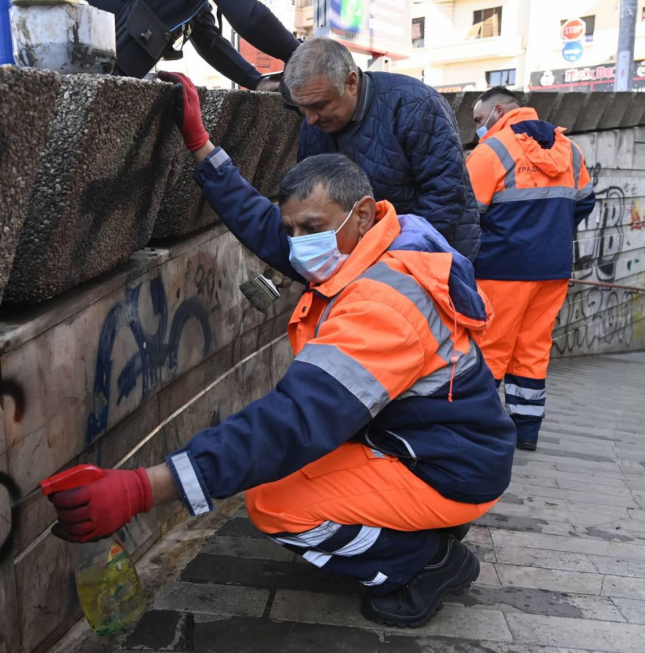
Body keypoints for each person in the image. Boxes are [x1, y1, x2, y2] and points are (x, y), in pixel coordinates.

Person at [47, 72, 516, 628]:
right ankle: (420, 527)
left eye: (310, 228)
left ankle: (425, 561)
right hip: (426, 441)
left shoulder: (384, 302)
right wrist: (202, 147)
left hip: (446, 466)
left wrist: (145, 487)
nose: (297, 246)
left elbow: (293, 421)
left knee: (276, 505)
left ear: (361, 213)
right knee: (285, 470)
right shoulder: (381, 242)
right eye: (293, 230)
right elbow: (265, 225)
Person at [466, 87, 596, 451]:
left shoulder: (492, 150)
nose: (478, 127)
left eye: (479, 120)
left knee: (490, 347)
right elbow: (585, 202)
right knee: (533, 349)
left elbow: (465, 211)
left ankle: (481, 429)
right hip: (553, 268)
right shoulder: (569, 149)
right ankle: (525, 430)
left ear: (500, 110)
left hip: (500, 269)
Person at [280, 38, 480, 261]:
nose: (309, 119)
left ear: (351, 83)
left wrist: (389, 259)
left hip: (432, 256)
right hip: (361, 261)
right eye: (302, 107)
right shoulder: (314, 125)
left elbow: (446, 194)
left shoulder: (415, 105)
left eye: (319, 105)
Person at [89, 0, 299, 90]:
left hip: (108, 63)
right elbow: (250, 17)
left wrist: (254, 81)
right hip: (91, 54)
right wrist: (299, 54)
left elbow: (206, 36)